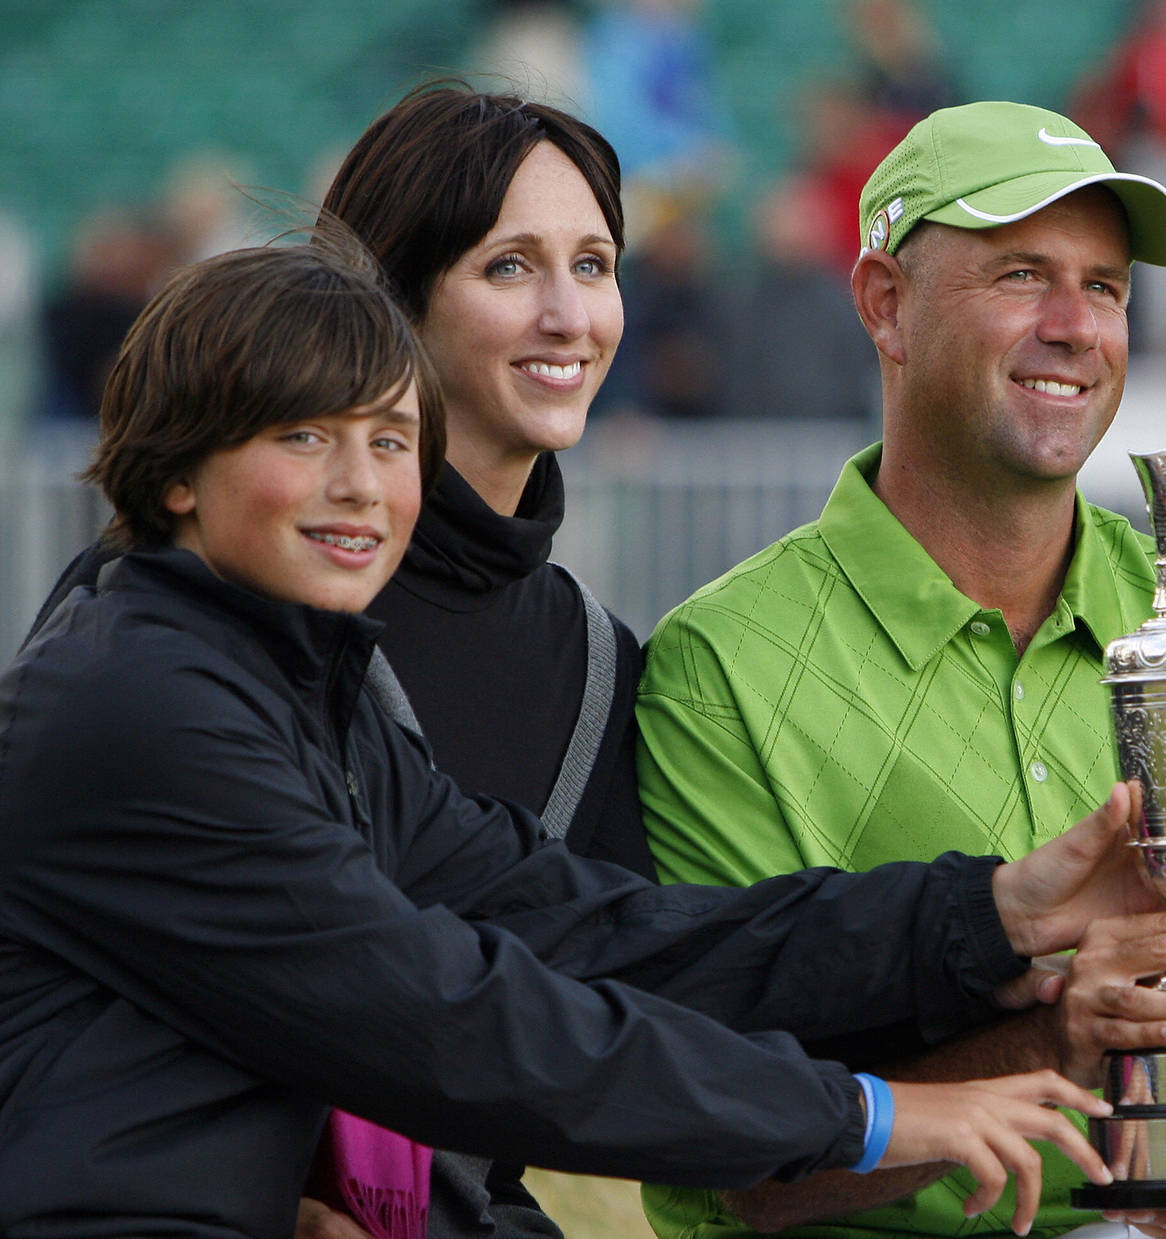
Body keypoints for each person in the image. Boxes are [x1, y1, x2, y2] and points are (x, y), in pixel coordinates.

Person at [0, 234, 1166, 1238]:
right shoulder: (145, 709)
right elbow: (453, 1024)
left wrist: (993, 915)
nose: (360, 487)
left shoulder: (284, 683)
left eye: (387, 440)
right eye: (302, 437)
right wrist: (870, 1114)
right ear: (175, 474)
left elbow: (594, 930)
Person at [636, 100, 1166, 1239]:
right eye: (1022, 275)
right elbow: (735, 1163)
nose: (1076, 326)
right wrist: (1051, 1041)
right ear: (886, 306)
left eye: (1106, 287)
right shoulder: (721, 665)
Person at [28, 83, 659, 1235]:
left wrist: (985, 951)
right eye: (511, 266)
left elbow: (616, 969)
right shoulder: (189, 616)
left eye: (597, 263)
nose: (570, 315)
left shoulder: (601, 661)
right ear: (393, 295)